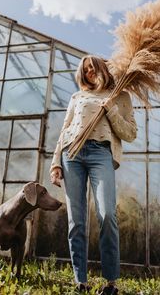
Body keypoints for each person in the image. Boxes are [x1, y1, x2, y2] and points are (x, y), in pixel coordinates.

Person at [50, 55, 137, 294]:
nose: (89, 72)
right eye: (85, 69)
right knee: (76, 221)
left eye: (93, 67)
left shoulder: (120, 95)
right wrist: (55, 162)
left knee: (107, 213)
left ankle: (110, 283)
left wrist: (111, 111)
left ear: (103, 69)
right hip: (72, 155)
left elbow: (130, 133)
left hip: (102, 154)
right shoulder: (77, 97)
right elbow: (65, 129)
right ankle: (81, 281)